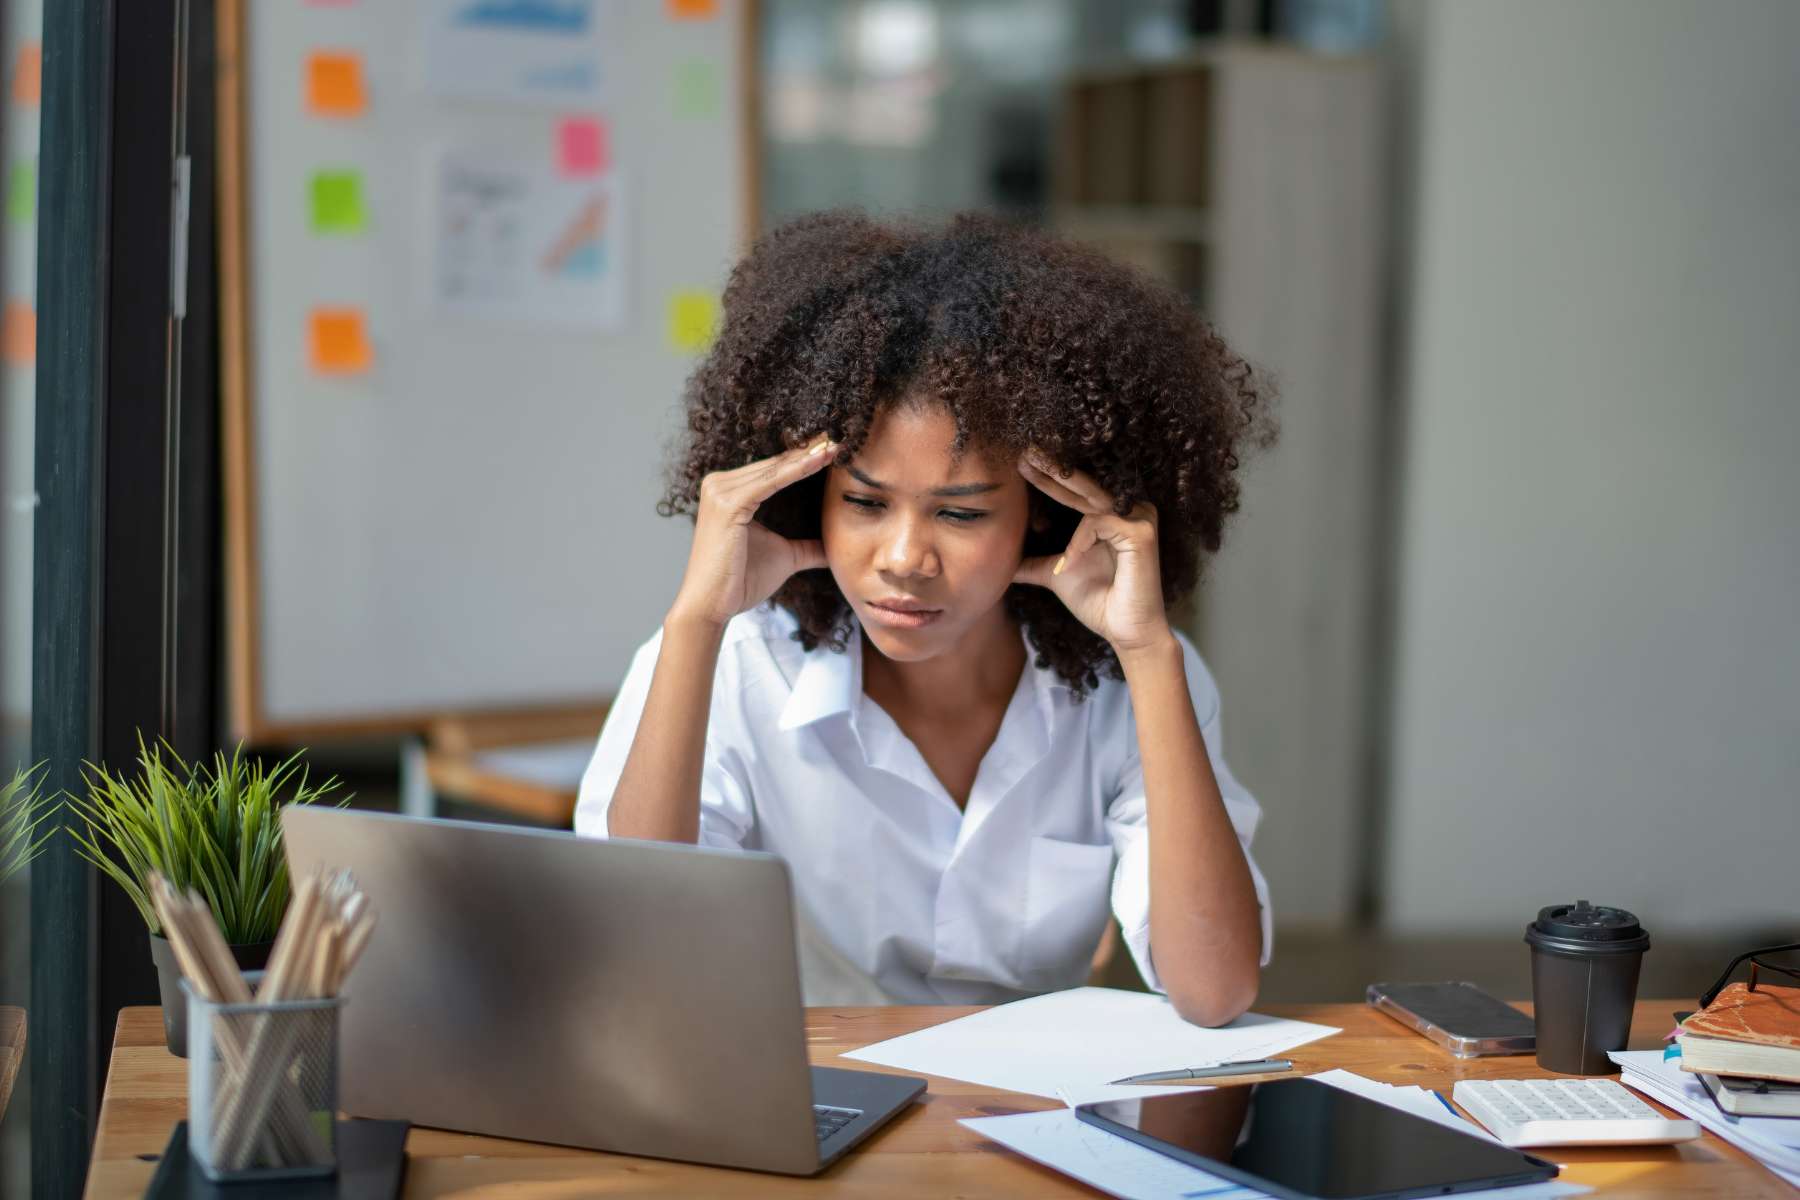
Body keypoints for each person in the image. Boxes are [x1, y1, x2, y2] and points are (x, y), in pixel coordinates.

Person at [575, 212, 1273, 1025]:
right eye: (865, 502)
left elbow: (1216, 989)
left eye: (962, 514)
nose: (905, 557)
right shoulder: (738, 663)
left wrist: (1150, 653)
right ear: (811, 499)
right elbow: (643, 950)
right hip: (807, 1102)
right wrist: (696, 619)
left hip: (1028, 1119)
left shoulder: (1132, 682)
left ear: (1044, 516)